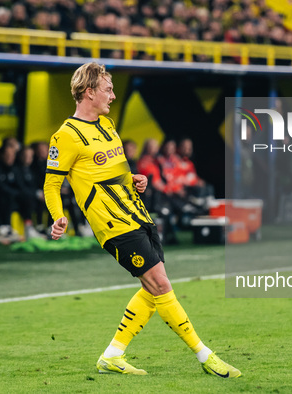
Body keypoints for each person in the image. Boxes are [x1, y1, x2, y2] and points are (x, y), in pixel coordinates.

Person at [44, 62, 240, 378]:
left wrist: (134, 179)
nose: (113, 95)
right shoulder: (65, 136)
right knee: (160, 284)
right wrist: (58, 216)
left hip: (138, 214)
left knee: (152, 288)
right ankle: (206, 356)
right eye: (108, 89)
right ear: (89, 92)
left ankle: (112, 355)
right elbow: (52, 184)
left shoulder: (107, 126)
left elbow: (116, 172)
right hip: (112, 224)